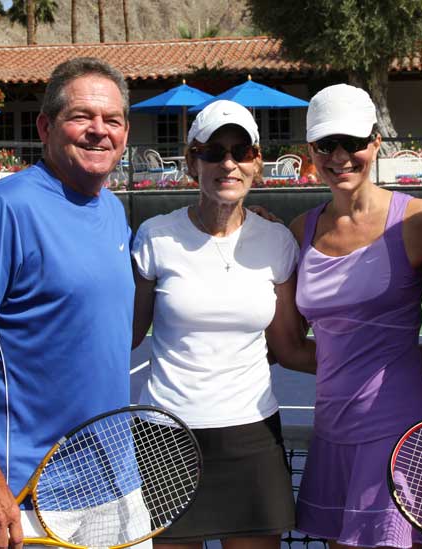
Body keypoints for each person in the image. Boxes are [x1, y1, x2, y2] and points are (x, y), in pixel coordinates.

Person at [0, 57, 138, 549]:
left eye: (112, 120)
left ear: (126, 132)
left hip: (117, 486)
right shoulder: (2, 210)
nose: (98, 131)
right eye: (81, 116)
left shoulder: (111, 208)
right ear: (46, 126)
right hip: (28, 498)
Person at [131, 99, 315, 549]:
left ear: (257, 162)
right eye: (213, 152)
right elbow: (126, 335)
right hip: (166, 436)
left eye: (240, 151)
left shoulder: (276, 242)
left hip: (252, 435)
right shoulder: (155, 237)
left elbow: (289, 347)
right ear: (193, 161)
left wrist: (378, 367)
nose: (227, 163)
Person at [290, 83, 422, 549]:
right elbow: (289, 343)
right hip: (331, 430)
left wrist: (401, 359)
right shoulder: (300, 229)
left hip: (399, 431)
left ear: (376, 142)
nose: (340, 156)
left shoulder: (420, 222)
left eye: (354, 143)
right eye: (327, 144)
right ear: (311, 151)